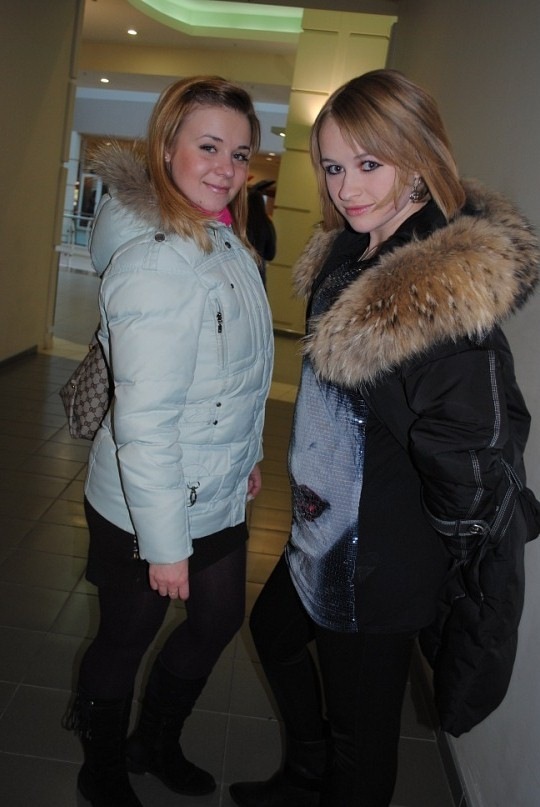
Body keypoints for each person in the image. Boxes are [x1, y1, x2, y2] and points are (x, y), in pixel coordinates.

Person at [229, 69, 540, 807]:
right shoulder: (352, 251)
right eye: (334, 167)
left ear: (420, 156)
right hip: (324, 532)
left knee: (362, 742)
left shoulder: (434, 297)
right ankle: (306, 774)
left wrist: (457, 583)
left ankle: (328, 776)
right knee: (274, 633)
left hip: (378, 565)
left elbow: (472, 459)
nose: (347, 188)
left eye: (369, 163)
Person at [63, 76, 274, 807]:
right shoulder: (155, 261)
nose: (227, 168)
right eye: (208, 147)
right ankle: (101, 768)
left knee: (218, 618)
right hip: (143, 505)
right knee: (127, 636)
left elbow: (240, 375)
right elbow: (144, 424)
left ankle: (152, 741)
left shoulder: (224, 238)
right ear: (165, 149)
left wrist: (246, 458)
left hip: (212, 484)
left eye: (240, 154)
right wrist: (164, 545)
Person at [247, 185, 277, 287]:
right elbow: (271, 254)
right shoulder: (267, 223)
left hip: (240, 269)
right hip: (258, 273)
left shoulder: (241, 222)